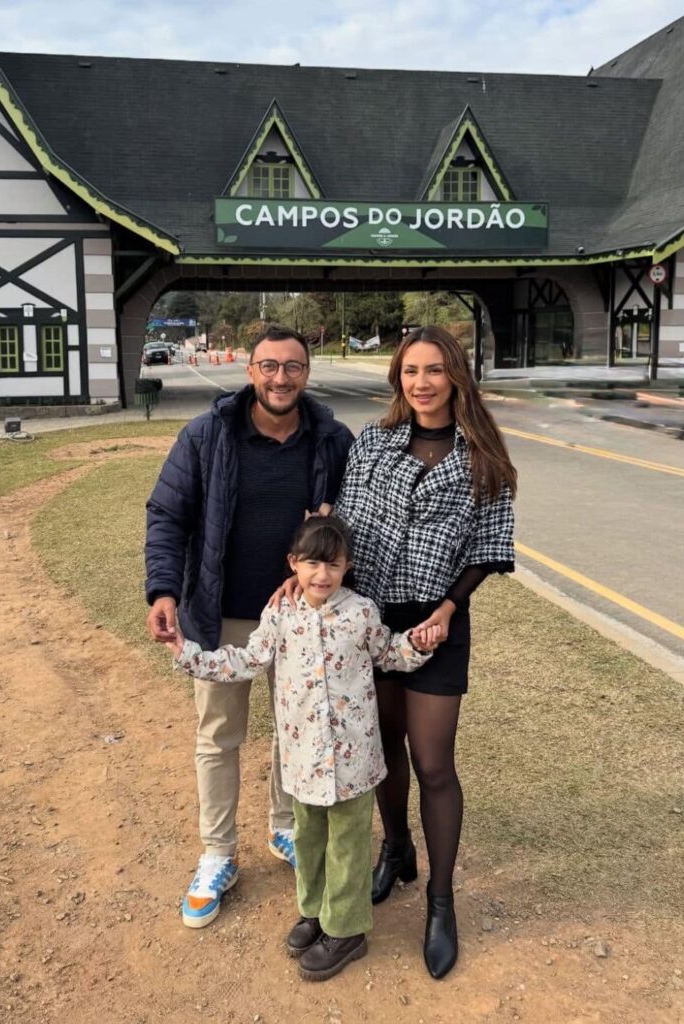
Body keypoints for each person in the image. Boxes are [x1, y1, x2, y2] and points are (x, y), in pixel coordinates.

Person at [165, 518, 441, 980]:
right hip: (303, 760)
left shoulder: (361, 612)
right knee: (308, 840)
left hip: (354, 760)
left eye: (333, 564)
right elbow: (246, 659)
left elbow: (389, 654)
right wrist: (187, 654)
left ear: (347, 565)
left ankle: (347, 930)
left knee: (347, 845)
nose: (322, 574)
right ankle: (315, 912)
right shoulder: (280, 614)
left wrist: (419, 642)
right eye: (312, 563)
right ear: (294, 563)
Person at [145, 323, 354, 929]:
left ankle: (285, 826)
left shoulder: (332, 440)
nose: (280, 378)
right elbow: (167, 514)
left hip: (301, 621)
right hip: (220, 615)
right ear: (249, 371)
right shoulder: (206, 435)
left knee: (298, 730)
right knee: (218, 736)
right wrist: (164, 590)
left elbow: (355, 517)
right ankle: (218, 852)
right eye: (269, 366)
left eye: (292, 367)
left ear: (306, 374)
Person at [334, 324, 517, 979]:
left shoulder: (483, 455)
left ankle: (441, 902)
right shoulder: (372, 443)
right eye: (410, 370)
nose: (422, 382)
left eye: (434, 370)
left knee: (433, 762)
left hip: (438, 623)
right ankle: (396, 850)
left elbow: (489, 547)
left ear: (455, 375)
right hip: (374, 620)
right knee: (384, 750)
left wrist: (448, 607)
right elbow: (345, 525)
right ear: (398, 378)